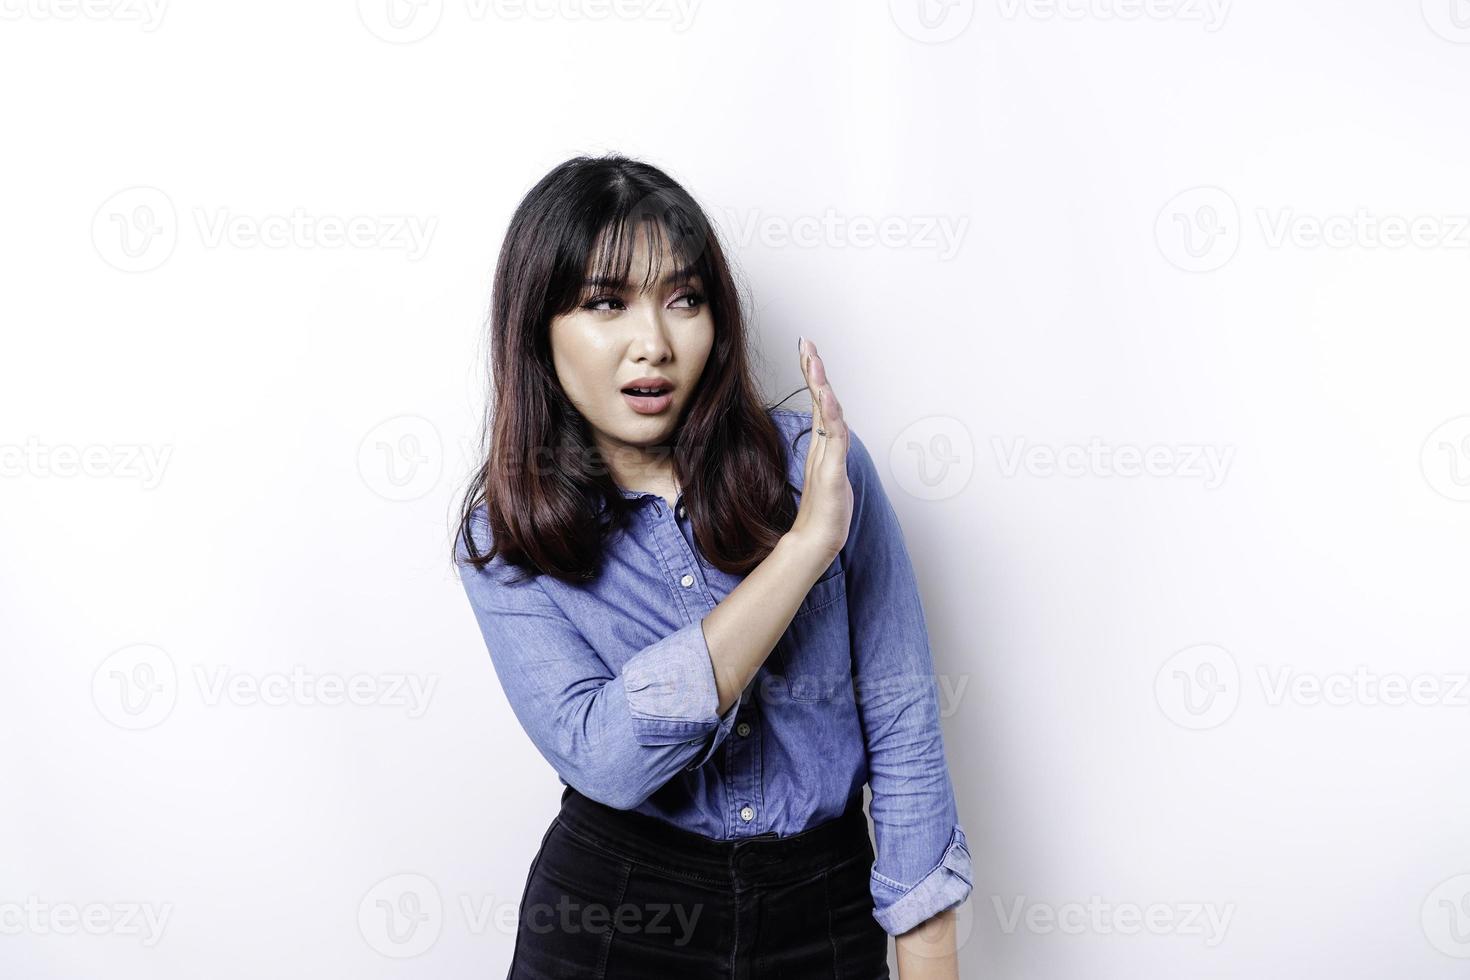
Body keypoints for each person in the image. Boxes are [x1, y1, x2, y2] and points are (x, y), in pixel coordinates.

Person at [452, 153, 972, 978]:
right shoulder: (509, 537)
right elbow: (609, 757)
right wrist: (801, 554)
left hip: (823, 914)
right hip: (613, 920)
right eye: (605, 304)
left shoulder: (818, 468)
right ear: (538, 329)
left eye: (683, 300)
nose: (652, 344)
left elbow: (904, 722)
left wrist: (928, 946)